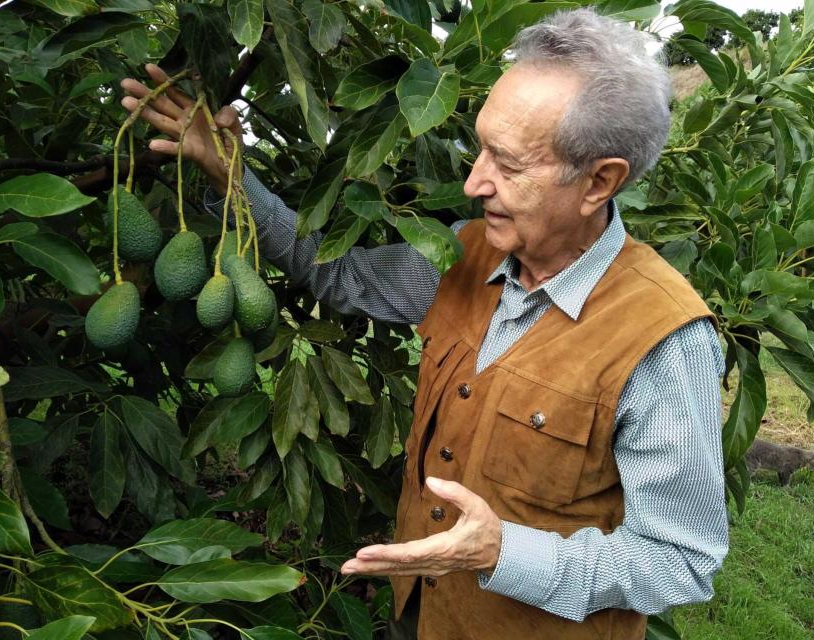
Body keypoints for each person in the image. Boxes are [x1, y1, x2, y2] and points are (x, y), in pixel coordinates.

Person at [120, 8, 728, 640]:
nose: (474, 182)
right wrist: (232, 175)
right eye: (480, 147)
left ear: (600, 181)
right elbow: (341, 275)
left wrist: (503, 553)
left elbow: (679, 561)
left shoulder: (663, 339)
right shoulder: (463, 255)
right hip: (418, 616)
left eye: (509, 164)